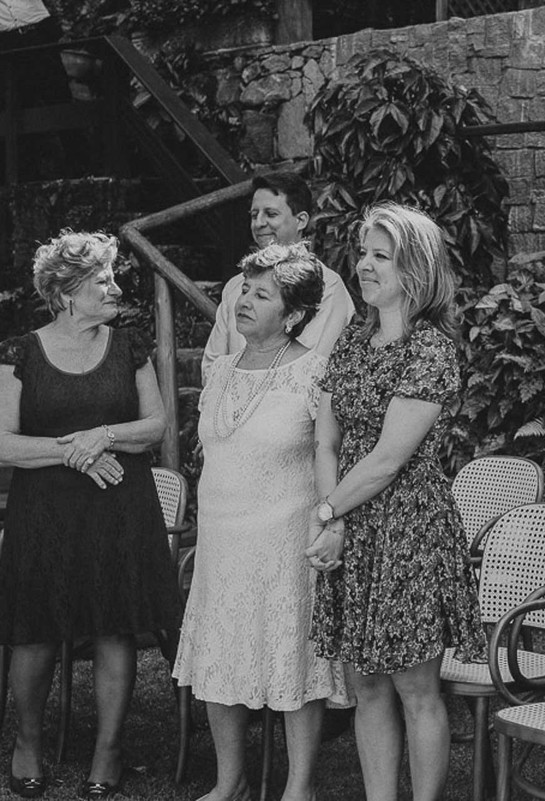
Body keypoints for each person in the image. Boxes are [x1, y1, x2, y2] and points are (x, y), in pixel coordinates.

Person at [306, 203, 485, 801]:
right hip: (352, 526)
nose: (364, 266)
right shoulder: (352, 342)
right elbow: (326, 438)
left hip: (409, 529)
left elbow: (388, 459)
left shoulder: (430, 351)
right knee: (367, 686)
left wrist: (330, 512)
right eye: (363, 253)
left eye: (380, 255)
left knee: (415, 689)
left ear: (414, 270)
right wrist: (332, 520)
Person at [0, 231, 181, 799]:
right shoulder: (21, 351)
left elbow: (155, 427)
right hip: (43, 513)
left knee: (114, 625)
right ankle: (26, 742)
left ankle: (109, 750)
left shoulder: (129, 345)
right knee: (32, 631)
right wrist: (76, 453)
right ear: (66, 292)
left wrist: (100, 435)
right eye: (102, 279)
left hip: (119, 510)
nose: (114, 287)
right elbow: (3, 444)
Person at [172, 243, 350, 801]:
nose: (243, 301)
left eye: (261, 294)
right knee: (219, 653)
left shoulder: (316, 373)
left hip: (285, 540)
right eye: (244, 290)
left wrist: (330, 521)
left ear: (293, 315)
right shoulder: (221, 370)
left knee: (293, 657)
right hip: (223, 538)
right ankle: (231, 783)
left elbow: (330, 453)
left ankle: (299, 787)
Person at [201, 171, 355, 383]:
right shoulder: (235, 285)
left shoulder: (328, 286)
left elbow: (313, 365)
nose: (259, 223)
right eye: (254, 215)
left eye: (271, 214)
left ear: (301, 220)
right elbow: (212, 364)